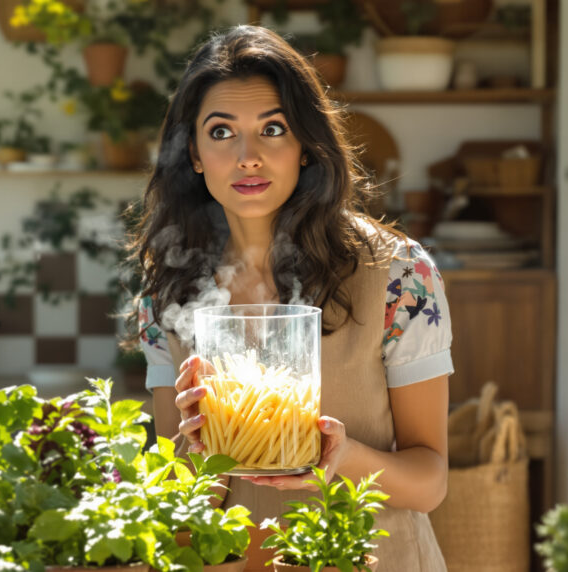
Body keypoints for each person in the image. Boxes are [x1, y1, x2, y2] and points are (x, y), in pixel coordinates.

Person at [128, 25, 453, 572]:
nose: (248, 156)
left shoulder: (397, 273)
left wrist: (343, 458)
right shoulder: (168, 291)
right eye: (222, 132)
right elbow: (181, 505)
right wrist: (193, 451)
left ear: (305, 146)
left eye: (273, 129)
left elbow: (430, 483)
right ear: (195, 154)